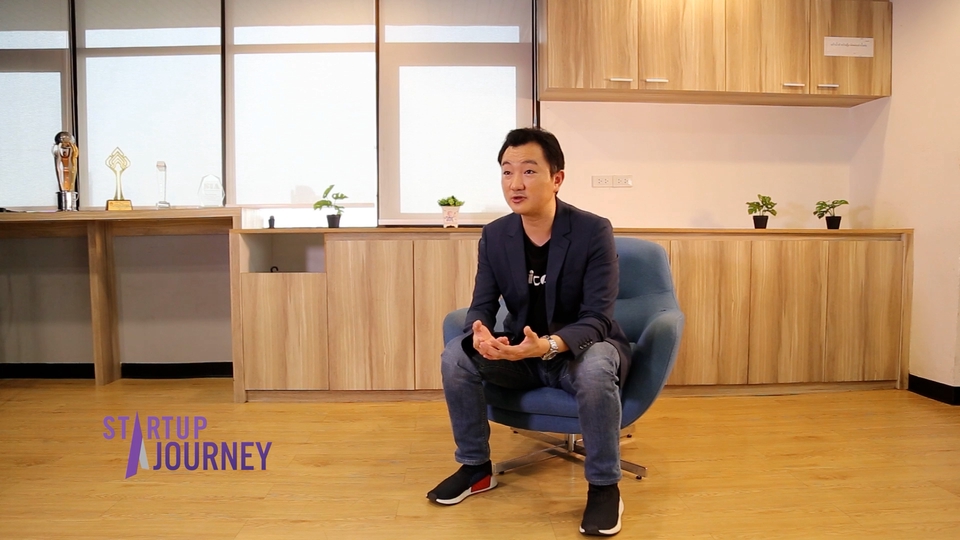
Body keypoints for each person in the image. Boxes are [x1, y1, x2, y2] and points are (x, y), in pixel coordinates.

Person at [427, 127, 632, 536]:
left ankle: (604, 487)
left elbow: (598, 318)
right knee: (455, 355)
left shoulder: (593, 230)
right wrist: (480, 333)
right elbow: (482, 304)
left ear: (557, 178)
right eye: (507, 171)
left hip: (575, 353)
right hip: (519, 356)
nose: (515, 183)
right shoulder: (495, 235)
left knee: (596, 366)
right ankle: (475, 468)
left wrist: (550, 345)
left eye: (528, 171)